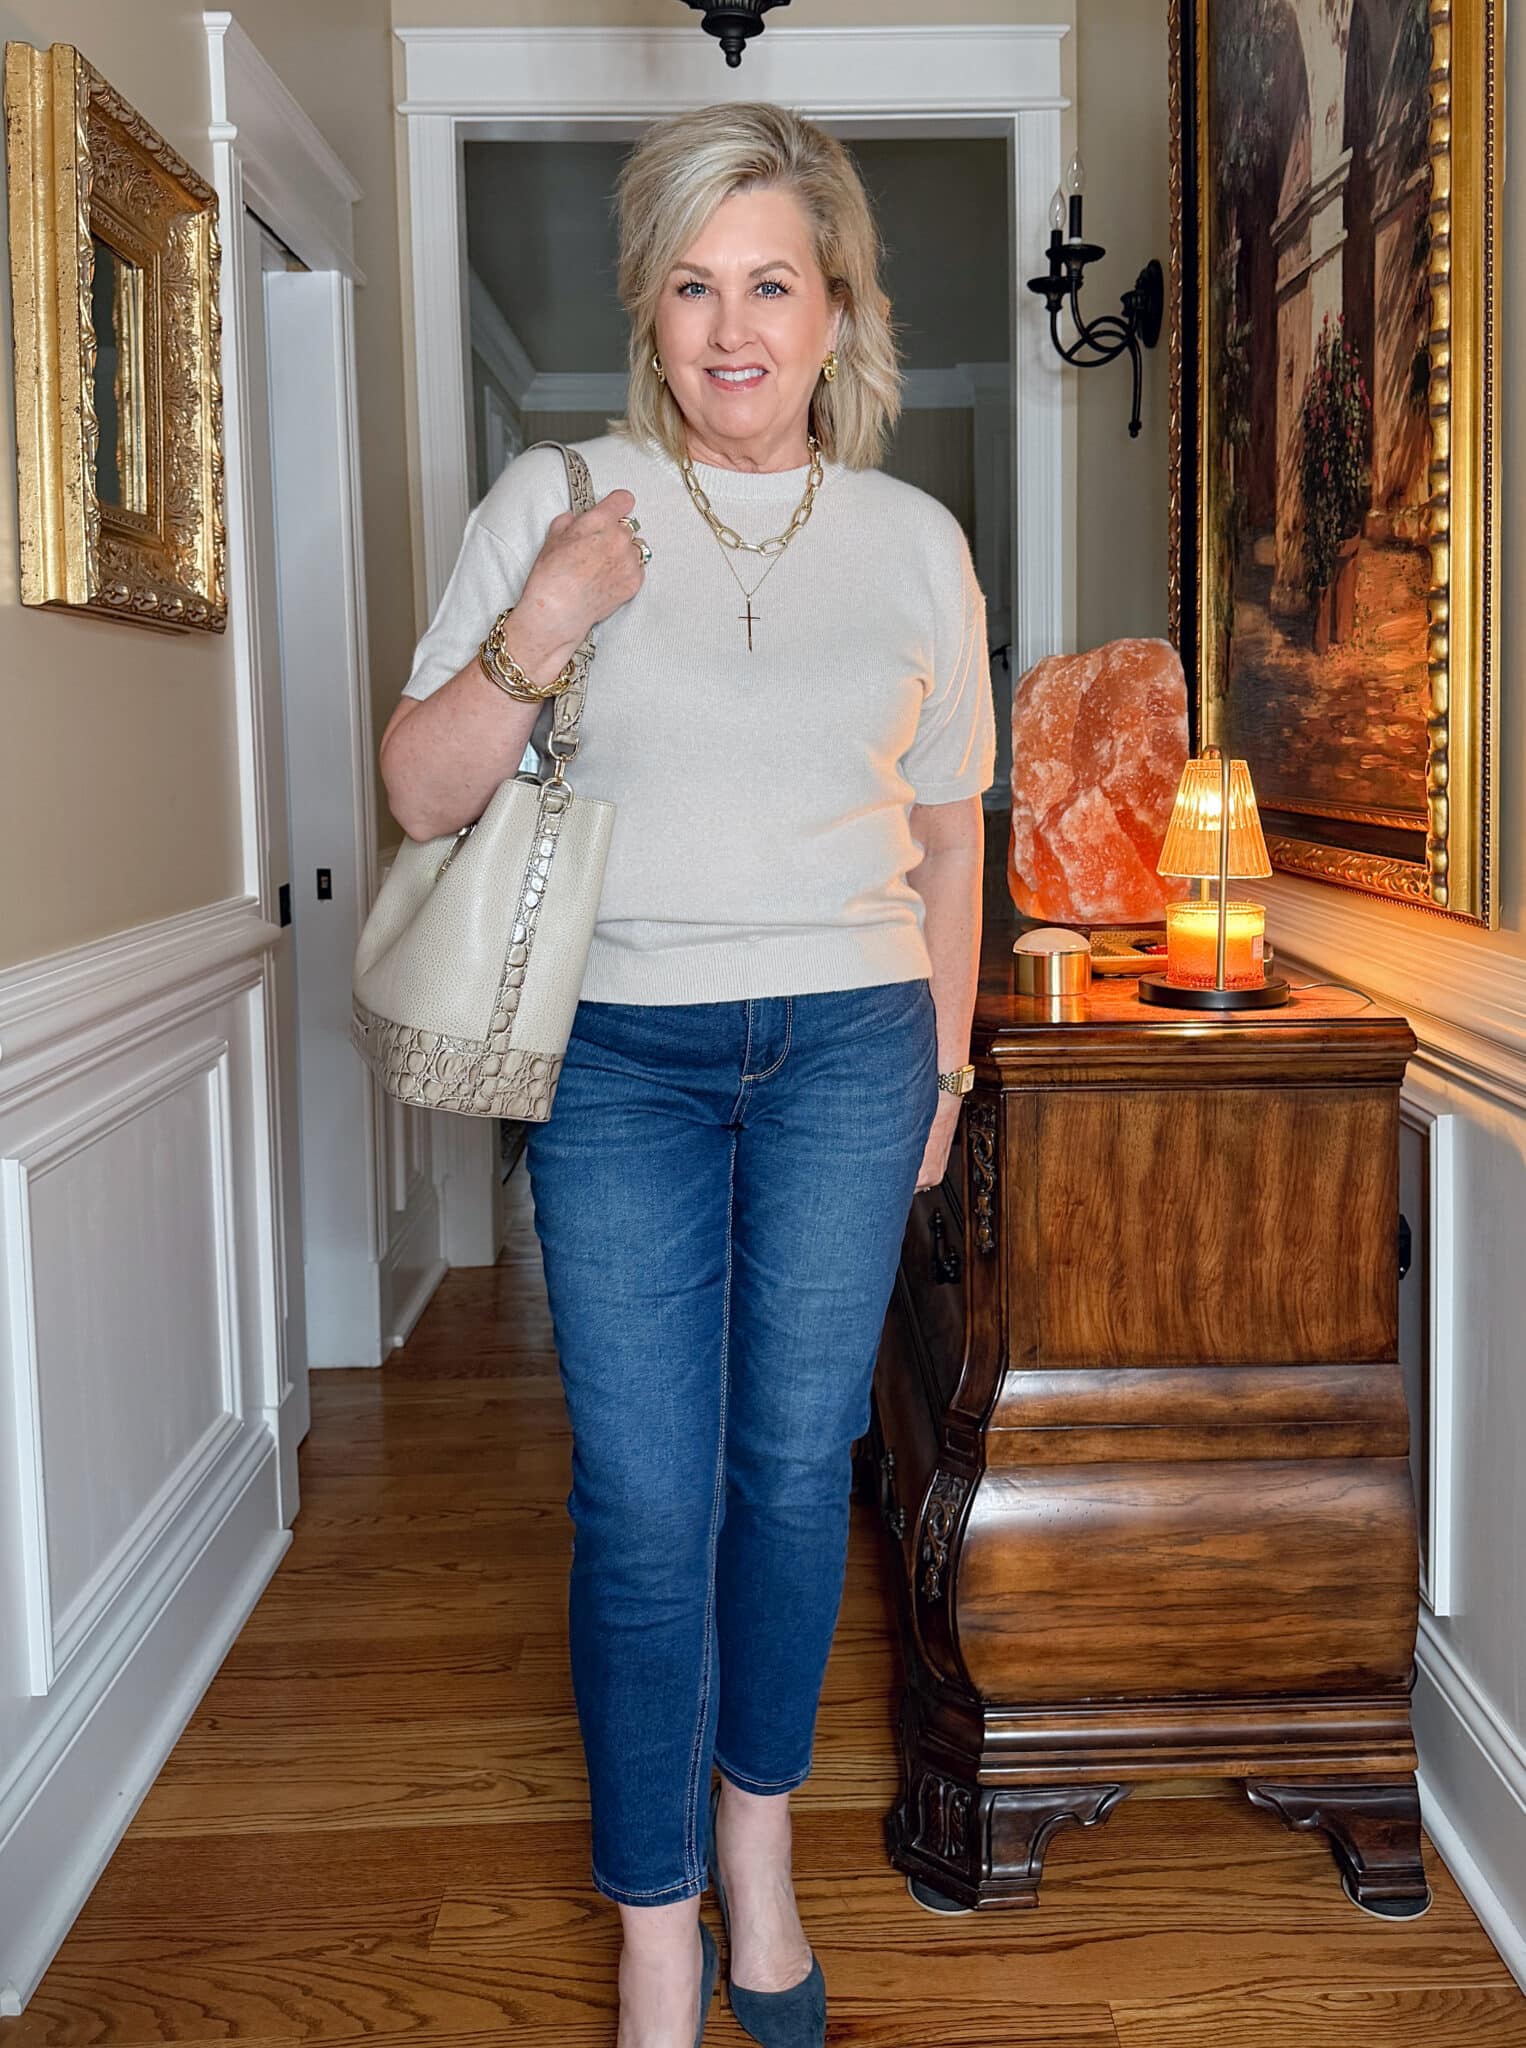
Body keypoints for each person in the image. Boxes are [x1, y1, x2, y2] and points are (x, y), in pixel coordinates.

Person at [379, 100, 995, 2048]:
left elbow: (951, 831)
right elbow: (413, 789)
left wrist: (947, 1080)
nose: (734, 332)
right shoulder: (555, 500)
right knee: (643, 1502)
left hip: (849, 1048)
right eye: (692, 289)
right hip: (622, 1064)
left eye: (774, 288)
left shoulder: (915, 542)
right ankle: (655, 1923)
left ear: (837, 313)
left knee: (787, 1480)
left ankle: (757, 1862)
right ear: (647, 314)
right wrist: (545, 624)